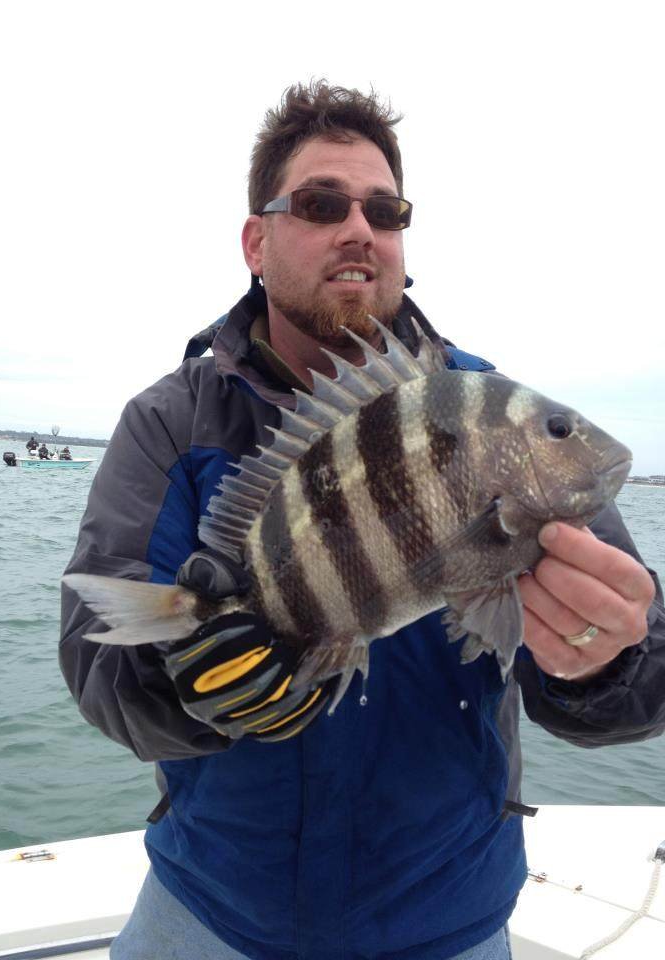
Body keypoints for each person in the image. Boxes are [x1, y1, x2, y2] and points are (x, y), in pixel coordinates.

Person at [60, 82, 665, 960]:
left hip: (450, 920)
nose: (360, 229)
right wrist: (196, 691)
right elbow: (97, 665)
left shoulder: (494, 417)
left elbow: (642, 679)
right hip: (212, 913)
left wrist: (600, 661)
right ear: (256, 242)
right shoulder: (171, 424)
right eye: (321, 204)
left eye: (385, 211)